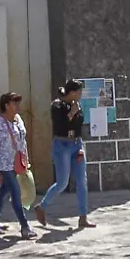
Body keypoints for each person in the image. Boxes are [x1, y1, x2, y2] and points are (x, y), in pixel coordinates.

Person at [36, 80, 95, 229]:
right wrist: (72, 113)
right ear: (72, 92)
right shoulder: (57, 106)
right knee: (62, 182)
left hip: (76, 144)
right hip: (62, 145)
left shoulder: (78, 105)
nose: (81, 95)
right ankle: (42, 206)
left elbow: (79, 125)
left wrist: (80, 145)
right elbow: (61, 124)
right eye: (79, 92)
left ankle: (83, 217)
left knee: (82, 181)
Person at [0, 93, 35, 239]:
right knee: (16, 193)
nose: (17, 106)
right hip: (5, 164)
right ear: (6, 105)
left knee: (3, 193)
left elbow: (22, 140)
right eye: (14, 103)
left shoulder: (18, 119)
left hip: (17, 162)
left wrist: (25, 158)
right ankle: (25, 226)